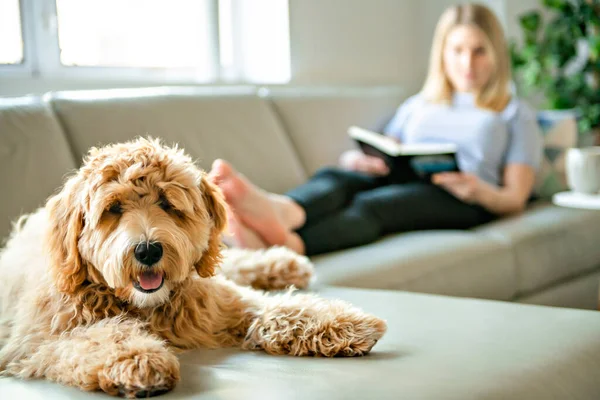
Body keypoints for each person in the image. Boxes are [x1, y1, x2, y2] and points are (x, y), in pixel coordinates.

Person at [209, 3, 543, 256]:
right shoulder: (419, 104)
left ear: (496, 55)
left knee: (376, 205)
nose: (467, 64)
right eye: (457, 51)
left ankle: (290, 244)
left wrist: (478, 191)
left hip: (462, 199)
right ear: (442, 54)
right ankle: (280, 212)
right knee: (337, 178)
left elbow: (515, 198)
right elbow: (388, 148)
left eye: (479, 51)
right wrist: (358, 160)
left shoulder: (513, 113)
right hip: (405, 177)